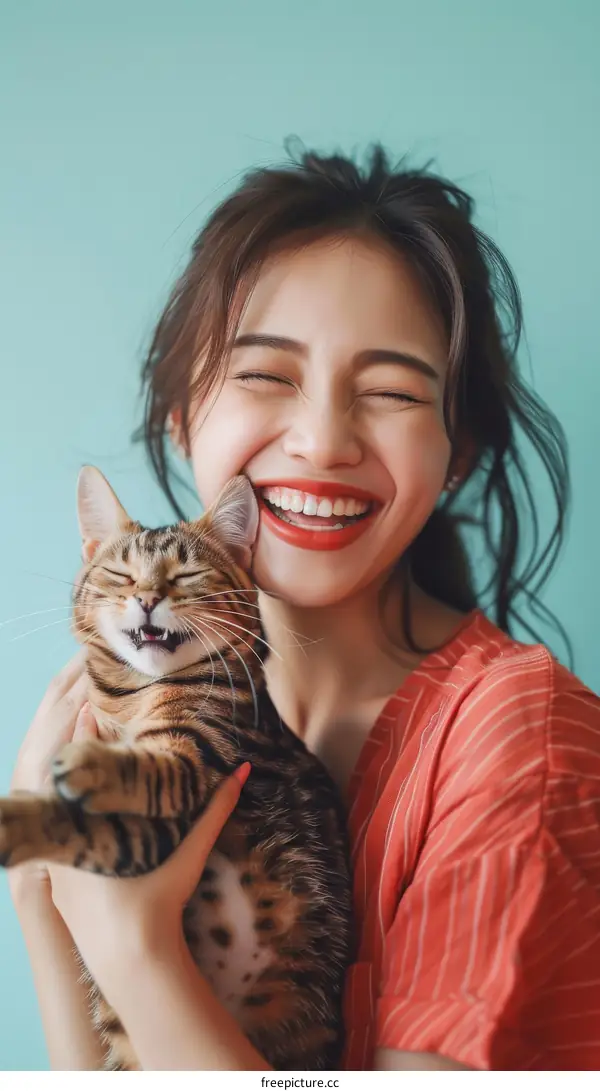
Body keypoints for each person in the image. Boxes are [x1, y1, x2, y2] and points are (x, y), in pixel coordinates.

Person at [9, 145, 600, 1072]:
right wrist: (46, 911)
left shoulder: (523, 746)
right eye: (264, 374)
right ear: (180, 412)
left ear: (460, 452)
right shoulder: (126, 704)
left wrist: (134, 946)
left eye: (394, 391)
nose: (321, 441)